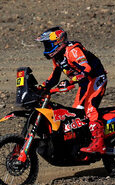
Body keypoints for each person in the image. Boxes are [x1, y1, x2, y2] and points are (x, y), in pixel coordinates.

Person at [35, 26, 108, 154]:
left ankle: (99, 143)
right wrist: (41, 87)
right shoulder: (57, 57)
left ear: (58, 42)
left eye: (48, 44)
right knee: (77, 114)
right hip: (85, 83)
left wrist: (70, 81)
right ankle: (84, 141)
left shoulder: (72, 50)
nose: (46, 47)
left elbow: (87, 68)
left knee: (90, 108)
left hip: (96, 78)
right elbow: (54, 77)